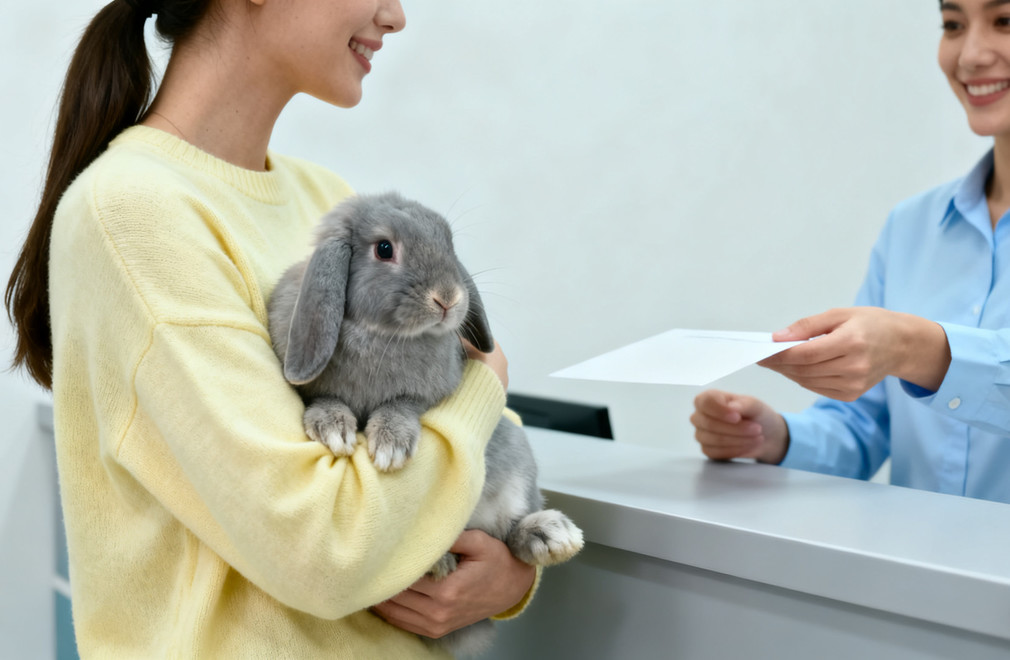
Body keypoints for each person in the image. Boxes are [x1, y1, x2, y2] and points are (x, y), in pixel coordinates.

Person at [4, 0, 536, 656]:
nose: (396, 15)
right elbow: (323, 549)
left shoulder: (325, 199)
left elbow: (461, 445)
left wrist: (505, 573)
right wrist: (486, 384)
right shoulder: (135, 212)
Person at [691, 0, 1010, 504]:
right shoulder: (912, 226)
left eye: (1004, 21)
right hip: (919, 555)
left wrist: (917, 349)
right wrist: (776, 437)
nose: (970, 55)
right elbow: (868, 423)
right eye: (953, 25)